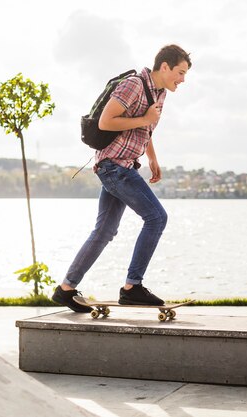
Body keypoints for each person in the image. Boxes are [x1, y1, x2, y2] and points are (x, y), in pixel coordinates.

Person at [52, 44, 192, 312]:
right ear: (165, 67)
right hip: (113, 166)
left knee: (104, 230)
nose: (183, 79)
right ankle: (132, 288)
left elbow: (146, 127)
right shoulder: (133, 85)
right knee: (157, 218)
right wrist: (143, 119)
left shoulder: (160, 92)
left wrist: (152, 157)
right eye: (180, 72)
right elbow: (106, 122)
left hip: (125, 164)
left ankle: (65, 290)